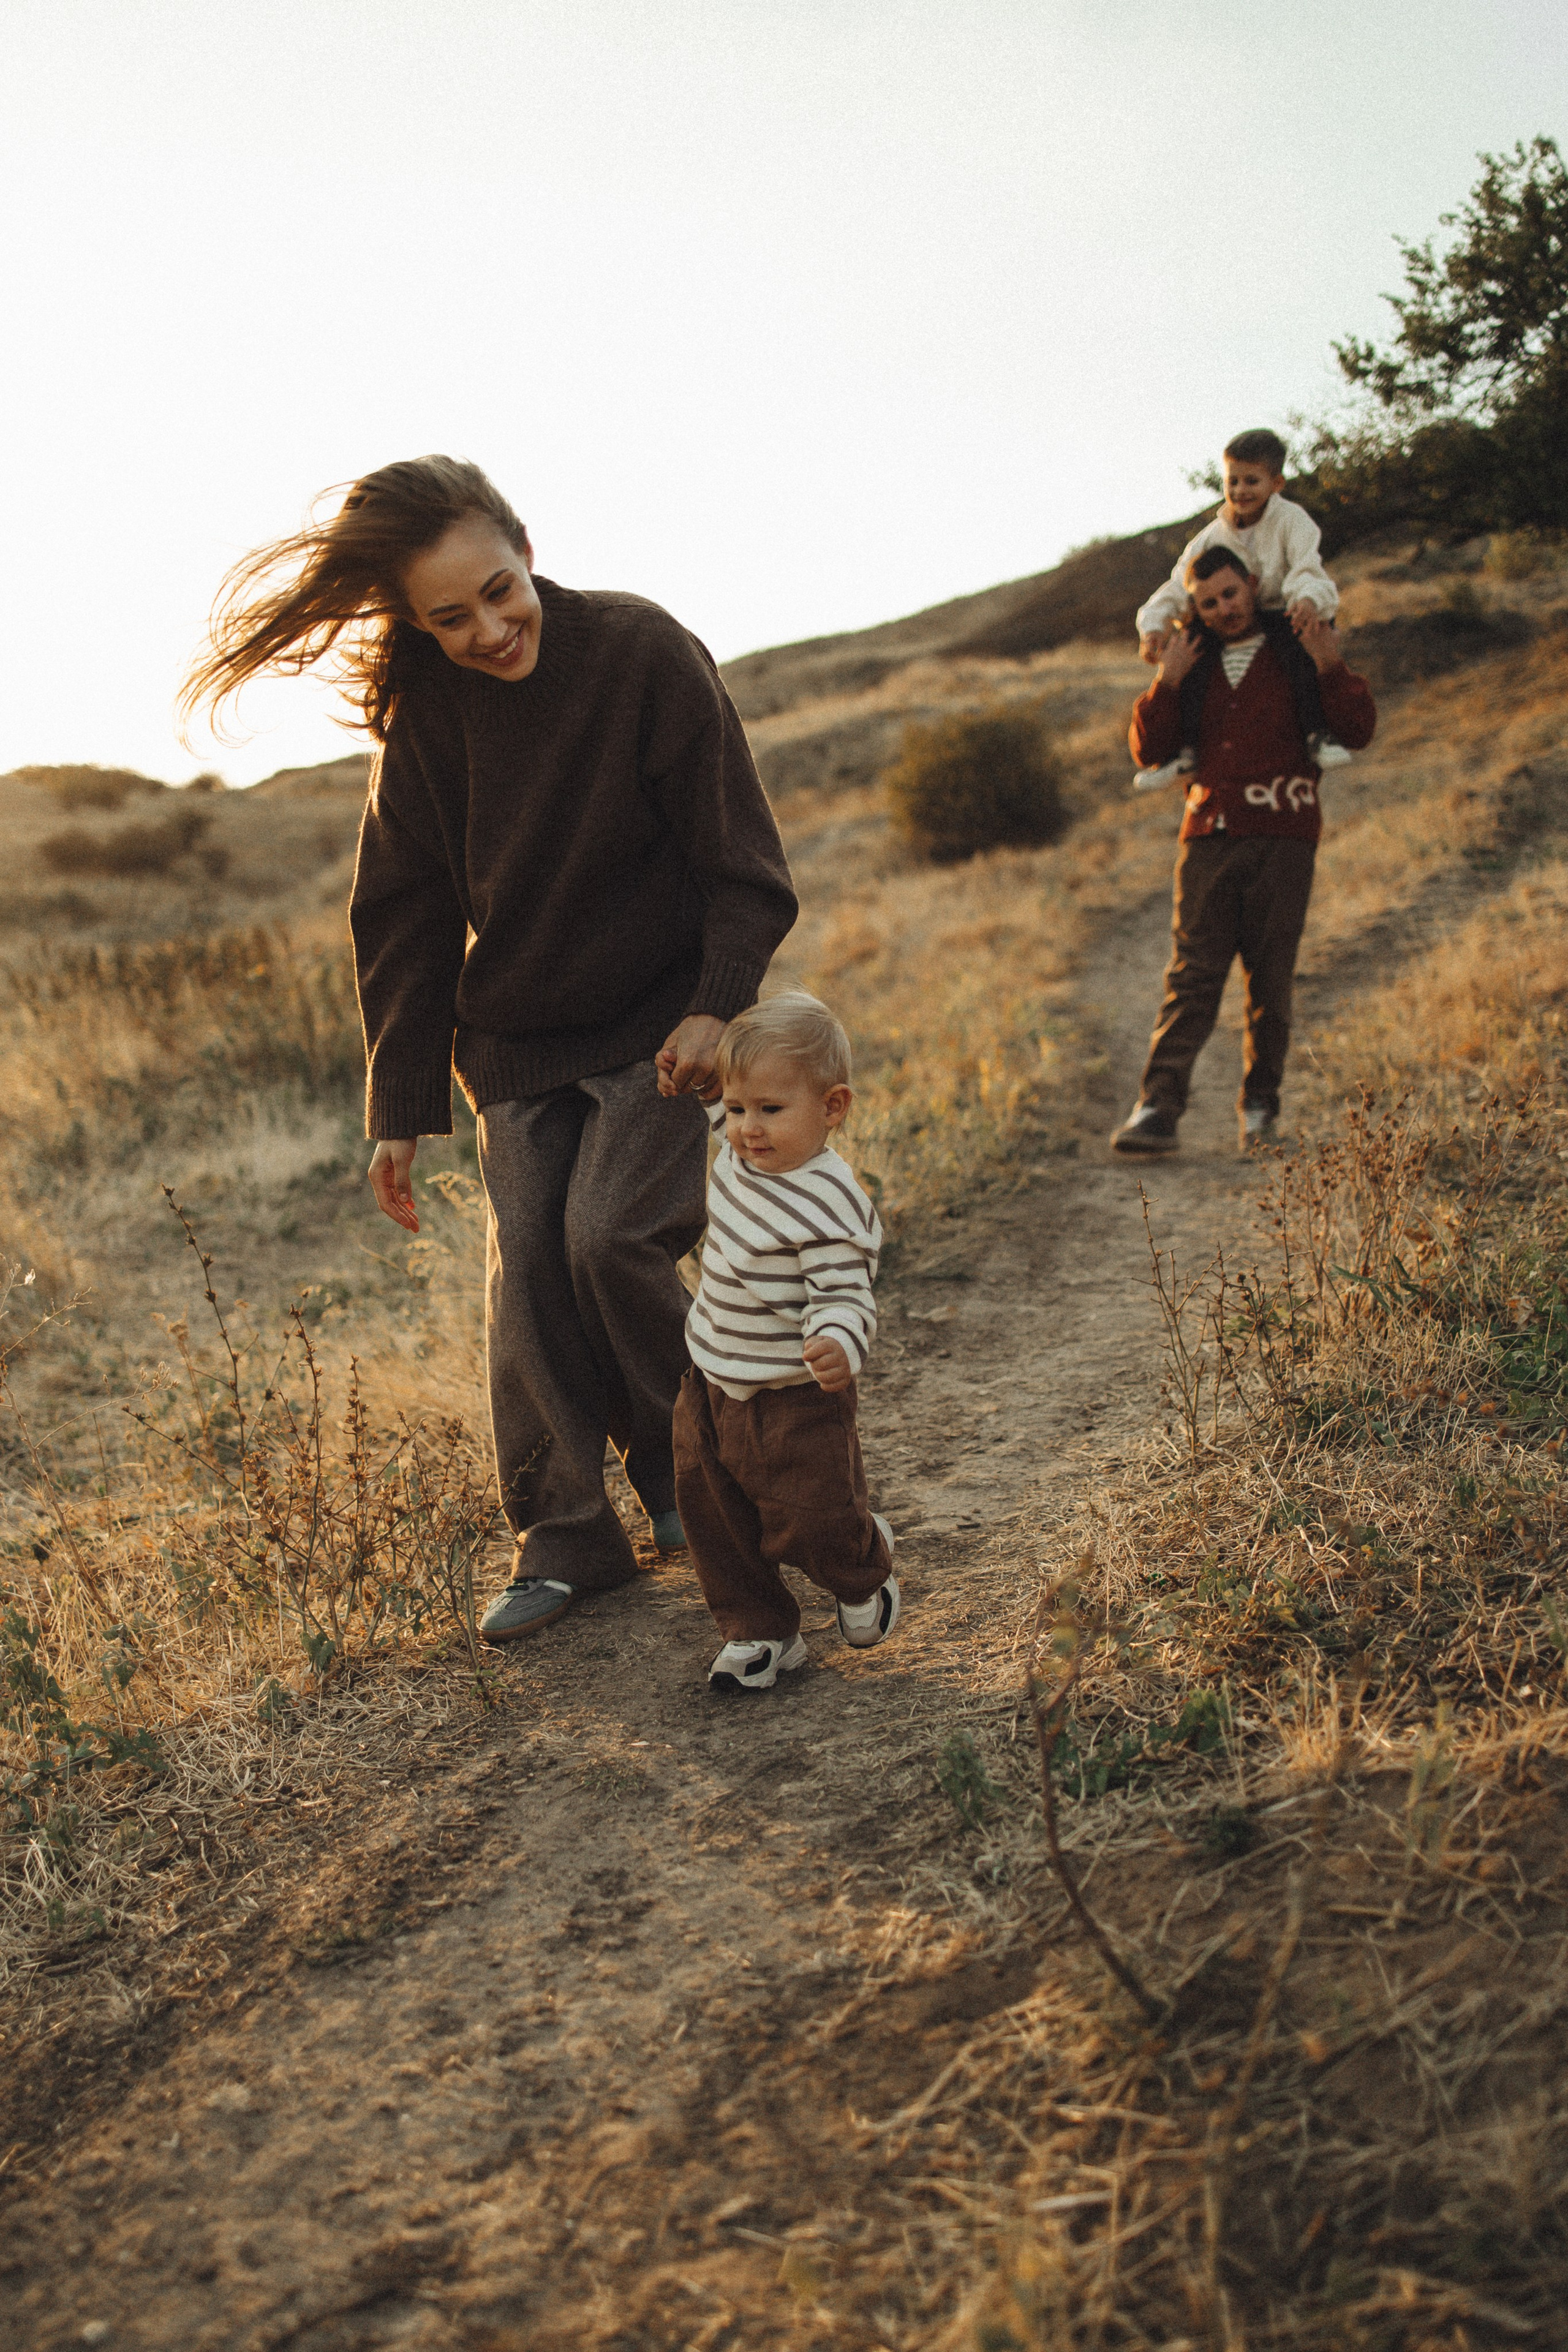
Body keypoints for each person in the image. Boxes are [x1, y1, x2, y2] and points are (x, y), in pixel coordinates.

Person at [181, 456, 797, 1640]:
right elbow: (401, 913)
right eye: (448, 617)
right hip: (515, 1040)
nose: (489, 629)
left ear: (526, 545)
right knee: (527, 1283)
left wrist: (718, 1006)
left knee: (608, 1239)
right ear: (411, 621)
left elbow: (743, 860)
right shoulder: (425, 718)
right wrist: (399, 1103)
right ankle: (567, 1539)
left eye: (501, 592)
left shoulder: (639, 653)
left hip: (659, 1023)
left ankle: (698, 1476)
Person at [666, 991, 899, 1693]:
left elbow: (846, 1293)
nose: (745, 1130)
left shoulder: (828, 1203)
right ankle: (759, 1630)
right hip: (710, 1381)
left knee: (812, 1516)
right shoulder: (743, 1151)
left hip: (796, 1395)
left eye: (770, 1110)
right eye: (737, 1112)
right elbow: (717, 1093)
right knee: (713, 1515)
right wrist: (691, 1070)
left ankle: (861, 1567)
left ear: (832, 1108)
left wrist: (835, 1340)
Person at [1110, 545, 1376, 1157]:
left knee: (1269, 978)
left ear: (1254, 584)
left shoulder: (1296, 645)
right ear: (1194, 607)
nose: (1223, 609)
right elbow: (1149, 751)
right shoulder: (1193, 659)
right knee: (1192, 976)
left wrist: (1331, 667)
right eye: (1207, 603)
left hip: (1284, 836)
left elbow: (1358, 730)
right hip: (1206, 838)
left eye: (1231, 594)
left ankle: (1260, 1110)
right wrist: (1166, 679)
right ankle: (1157, 1107)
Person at [1133, 428, 1349, 788]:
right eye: (1232, 481)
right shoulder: (1212, 536)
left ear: (1276, 482)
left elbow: (1307, 568)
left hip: (1284, 611)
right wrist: (1154, 625)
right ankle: (1183, 754)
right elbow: (1179, 584)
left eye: (1252, 481)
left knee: (1299, 655)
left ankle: (1317, 735)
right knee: (1191, 650)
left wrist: (1307, 600)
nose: (1240, 491)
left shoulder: (1292, 521)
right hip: (1227, 617)